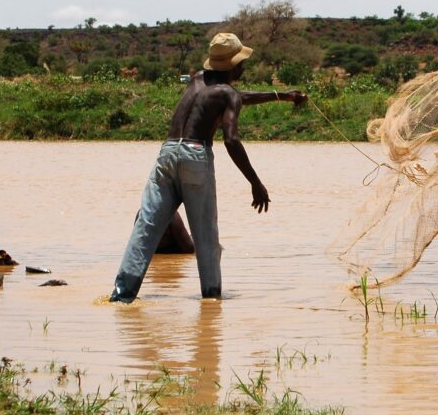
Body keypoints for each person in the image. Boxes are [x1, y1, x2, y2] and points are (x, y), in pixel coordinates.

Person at [109, 32, 306, 302]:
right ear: (235, 65)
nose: (243, 66)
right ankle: (211, 299)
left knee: (147, 227)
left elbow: (231, 96)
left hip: (167, 154)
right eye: (241, 62)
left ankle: (121, 295)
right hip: (196, 155)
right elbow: (231, 138)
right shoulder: (228, 95)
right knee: (206, 236)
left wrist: (281, 96)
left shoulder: (196, 80)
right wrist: (255, 183)